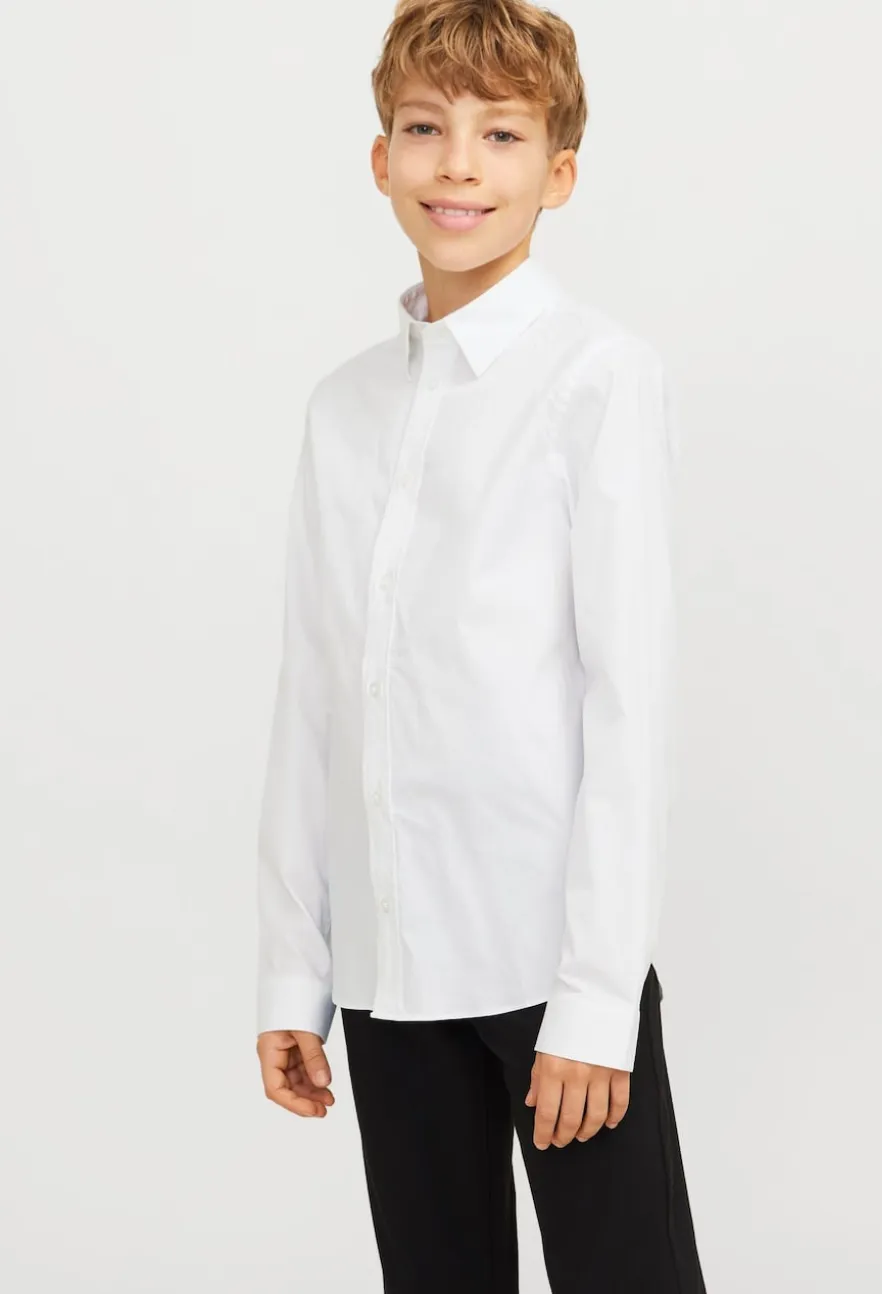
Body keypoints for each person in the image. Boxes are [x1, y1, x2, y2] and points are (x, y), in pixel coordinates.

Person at [254, 1, 707, 1289]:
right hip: (388, 973)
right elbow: (315, 696)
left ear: (558, 173)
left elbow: (629, 699)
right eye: (425, 128)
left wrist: (598, 999)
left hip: (545, 959)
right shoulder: (343, 409)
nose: (458, 163)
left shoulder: (597, 378)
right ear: (381, 157)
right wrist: (294, 972)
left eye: (501, 133)